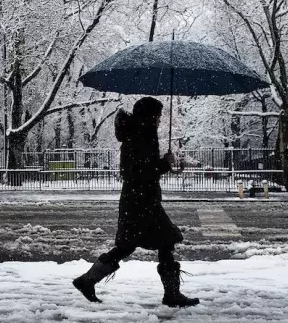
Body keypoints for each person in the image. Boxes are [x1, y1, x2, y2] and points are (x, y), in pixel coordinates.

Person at [73, 97, 199, 308]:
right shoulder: (141, 137)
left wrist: (163, 164)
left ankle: (87, 281)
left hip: (138, 202)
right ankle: (172, 294)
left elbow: (142, 169)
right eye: (158, 115)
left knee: (128, 245)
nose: (160, 119)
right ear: (149, 116)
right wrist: (164, 165)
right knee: (164, 240)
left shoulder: (139, 135)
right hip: (142, 203)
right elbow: (139, 172)